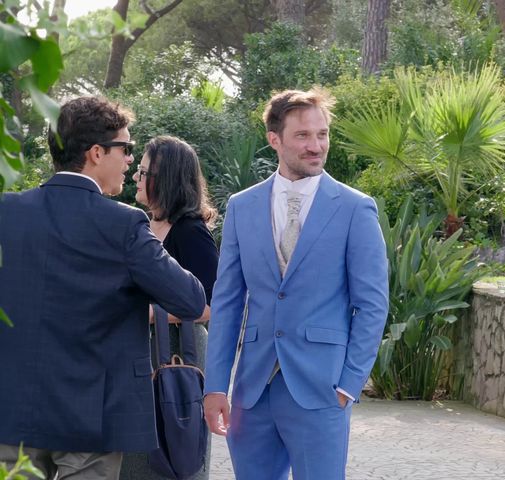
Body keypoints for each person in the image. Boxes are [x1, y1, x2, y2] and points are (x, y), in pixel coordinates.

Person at [0, 96, 206, 480]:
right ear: (96, 152)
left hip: (12, 410)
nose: (130, 160)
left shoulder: (7, 211)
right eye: (125, 149)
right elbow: (191, 299)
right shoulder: (124, 225)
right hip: (92, 416)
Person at [203, 87, 389, 479]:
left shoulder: (355, 208)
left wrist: (349, 385)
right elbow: (227, 302)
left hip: (322, 389)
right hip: (252, 392)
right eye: (303, 135)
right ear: (275, 139)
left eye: (321, 134)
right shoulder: (242, 206)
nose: (316, 145)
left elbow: (371, 304)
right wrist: (216, 386)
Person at [119, 135, 218, 480]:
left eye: (144, 172)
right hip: (140, 357)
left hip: (178, 357)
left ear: (167, 179)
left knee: (177, 453)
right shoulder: (139, 224)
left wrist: (146, 313)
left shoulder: (190, 231)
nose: (136, 177)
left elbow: (210, 304)